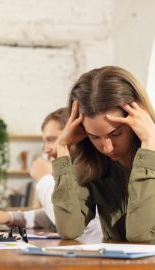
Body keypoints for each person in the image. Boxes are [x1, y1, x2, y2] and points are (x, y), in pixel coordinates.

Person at [52, 66, 155, 242]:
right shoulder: (91, 163)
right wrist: (62, 148)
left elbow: (140, 235)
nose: (107, 148)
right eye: (94, 137)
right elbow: (68, 229)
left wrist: (149, 143)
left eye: (116, 134)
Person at [0, 108, 102, 240]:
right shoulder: (73, 169)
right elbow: (61, 212)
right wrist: (11, 217)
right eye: (45, 141)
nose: (46, 149)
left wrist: (44, 179)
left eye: (52, 140)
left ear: (77, 135)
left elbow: (70, 224)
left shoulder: (91, 171)